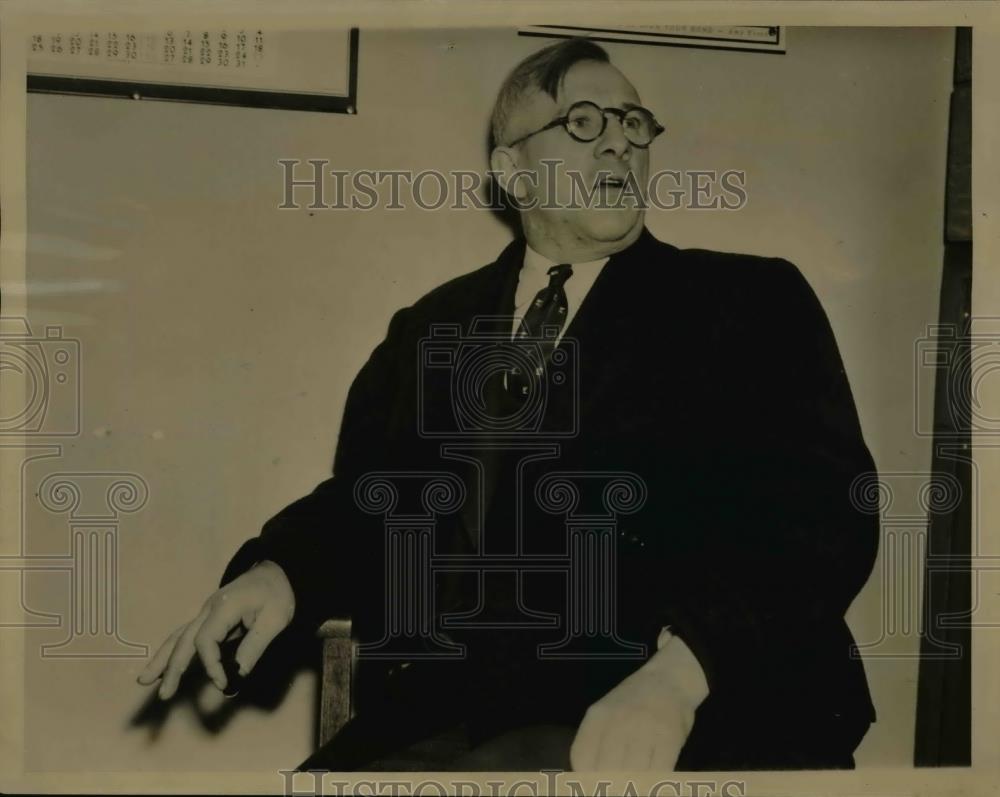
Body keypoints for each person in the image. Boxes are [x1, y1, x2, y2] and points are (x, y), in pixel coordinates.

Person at [138, 38, 879, 771]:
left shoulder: (745, 304)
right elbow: (375, 502)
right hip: (452, 710)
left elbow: (823, 514)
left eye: (633, 122)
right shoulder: (432, 325)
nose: (619, 144)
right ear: (512, 172)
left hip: (687, 713)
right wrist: (282, 570)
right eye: (584, 123)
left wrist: (680, 675)